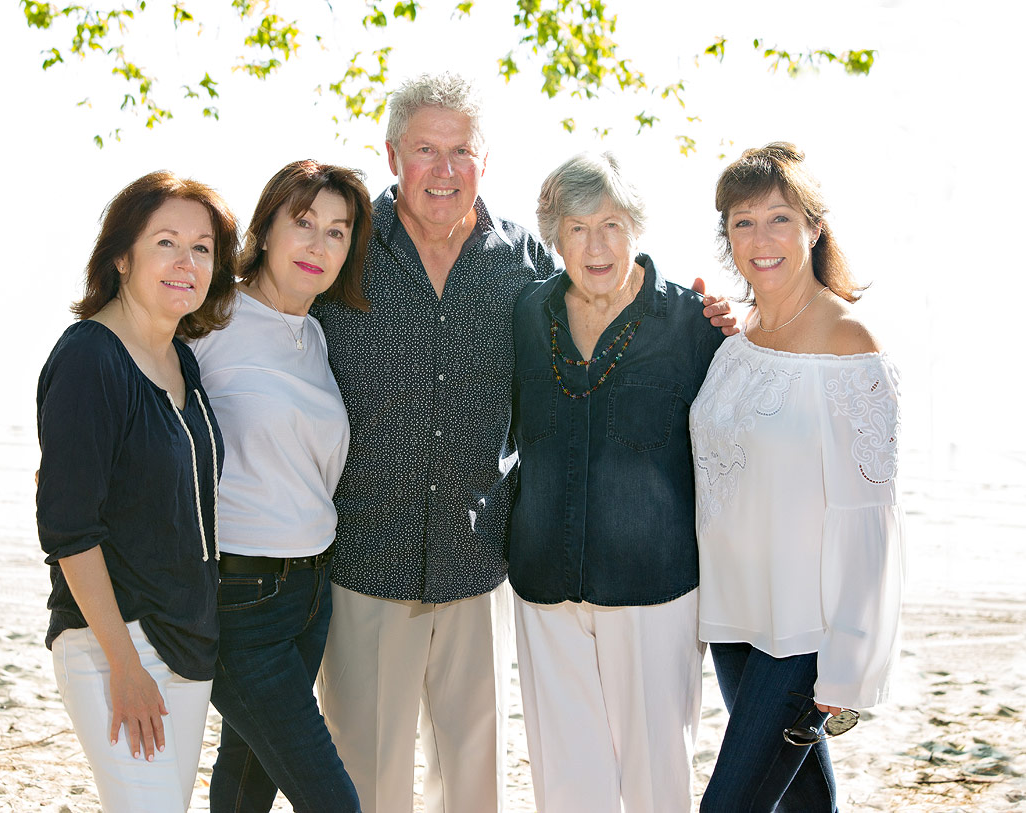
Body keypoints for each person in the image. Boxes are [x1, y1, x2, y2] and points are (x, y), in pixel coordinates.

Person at [313, 73, 736, 813]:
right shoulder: (344, 251)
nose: (444, 170)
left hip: (477, 567)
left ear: (485, 160)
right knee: (368, 783)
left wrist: (712, 313)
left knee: (474, 785)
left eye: (461, 151)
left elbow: (607, 291)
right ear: (390, 157)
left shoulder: (523, 266)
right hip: (365, 560)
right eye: (425, 150)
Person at [690, 142, 905, 812]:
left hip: (801, 630)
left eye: (779, 218)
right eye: (743, 222)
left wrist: (848, 662)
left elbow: (868, 516)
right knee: (804, 804)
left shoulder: (849, 343)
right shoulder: (738, 333)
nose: (762, 239)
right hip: (733, 616)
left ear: (813, 227)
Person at [507, 151, 725, 812]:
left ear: (635, 226)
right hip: (545, 582)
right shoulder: (527, 313)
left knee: (659, 779)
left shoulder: (692, 322)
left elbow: (738, 445)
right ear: (555, 236)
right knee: (569, 784)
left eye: (610, 224)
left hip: (653, 587)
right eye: (576, 228)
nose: (596, 245)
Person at [36, 171, 237, 812]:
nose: (187, 262)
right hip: (114, 644)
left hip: (187, 641)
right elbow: (69, 529)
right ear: (122, 256)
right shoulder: (90, 359)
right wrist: (125, 665)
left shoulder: (184, 360)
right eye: (166, 243)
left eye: (202, 248)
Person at [188, 159, 371, 813]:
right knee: (333, 800)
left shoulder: (316, 335)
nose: (318, 244)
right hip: (239, 597)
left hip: (311, 592)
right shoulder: (211, 316)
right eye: (303, 223)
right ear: (266, 229)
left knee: (245, 780)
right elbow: (129, 389)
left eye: (337, 231)